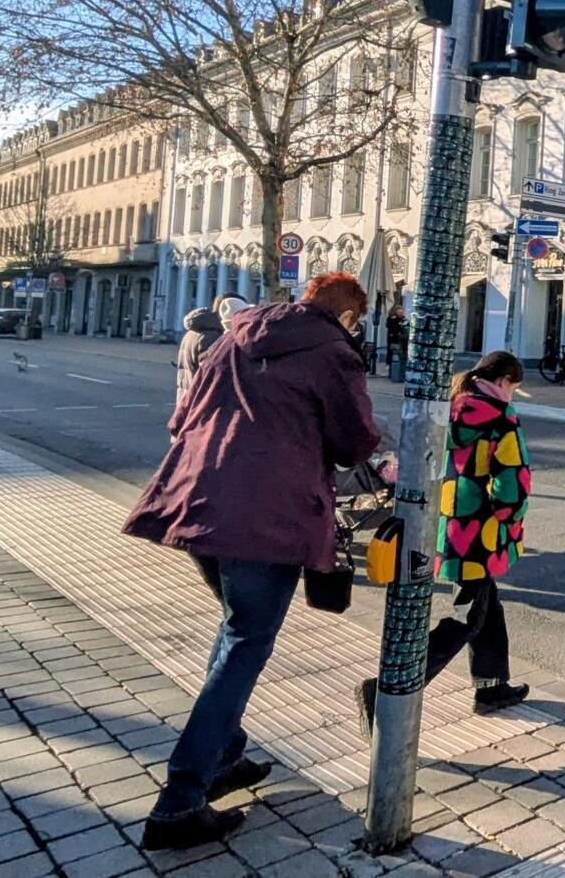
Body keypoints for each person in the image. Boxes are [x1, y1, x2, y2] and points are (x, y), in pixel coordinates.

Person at [123, 273, 380, 849]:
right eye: (357, 322)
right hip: (267, 515)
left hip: (196, 501)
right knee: (246, 644)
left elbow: (181, 415)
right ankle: (179, 801)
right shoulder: (333, 352)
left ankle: (222, 757)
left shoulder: (236, 332)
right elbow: (354, 442)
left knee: (234, 631)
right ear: (347, 316)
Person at [356, 350, 532, 736]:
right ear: (503, 381)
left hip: (452, 525)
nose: (513, 394)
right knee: (467, 614)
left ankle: (492, 685)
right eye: (513, 386)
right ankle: (387, 688)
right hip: (483, 531)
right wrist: (510, 520)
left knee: (485, 604)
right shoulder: (501, 419)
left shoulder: (452, 408)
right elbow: (512, 484)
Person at [172, 305, 224, 408]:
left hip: (185, 396)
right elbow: (208, 374)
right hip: (199, 401)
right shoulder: (210, 337)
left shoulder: (190, 334)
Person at [384, 305, 409, 379]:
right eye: (399, 311)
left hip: (402, 340)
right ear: (395, 311)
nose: (400, 313)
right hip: (393, 340)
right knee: (393, 354)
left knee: (401, 355)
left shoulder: (404, 319)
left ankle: (399, 372)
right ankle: (391, 370)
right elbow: (390, 327)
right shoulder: (392, 319)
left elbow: (406, 326)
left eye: (401, 311)